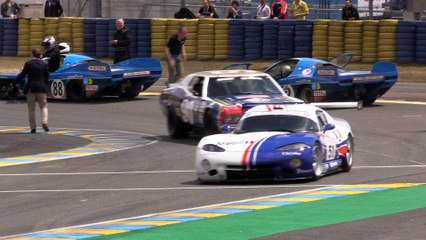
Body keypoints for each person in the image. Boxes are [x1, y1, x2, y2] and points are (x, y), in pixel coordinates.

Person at [11, 48, 50, 133]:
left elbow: (22, 75)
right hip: (41, 87)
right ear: (40, 55)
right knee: (43, 106)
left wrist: (13, 83)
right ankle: (44, 122)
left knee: (31, 108)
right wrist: (44, 84)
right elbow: (47, 76)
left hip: (30, 87)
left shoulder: (28, 64)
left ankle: (33, 127)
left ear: (32, 54)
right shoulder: (44, 64)